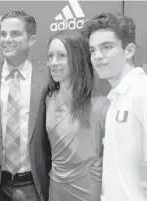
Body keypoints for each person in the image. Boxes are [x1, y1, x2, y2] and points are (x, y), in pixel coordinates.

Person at [82, 12, 147, 201]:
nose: (97, 56)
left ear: (129, 50)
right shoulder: (117, 96)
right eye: (92, 50)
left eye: (107, 47)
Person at [0, 10, 52, 201]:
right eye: (3, 34)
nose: (7, 39)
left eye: (15, 34)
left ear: (32, 40)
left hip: (33, 184)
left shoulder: (48, 77)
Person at [46, 30, 108, 201]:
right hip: (55, 187)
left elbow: (122, 148)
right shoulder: (48, 100)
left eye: (61, 56)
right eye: (50, 56)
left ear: (78, 59)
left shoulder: (101, 105)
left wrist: (106, 161)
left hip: (87, 189)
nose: (53, 62)